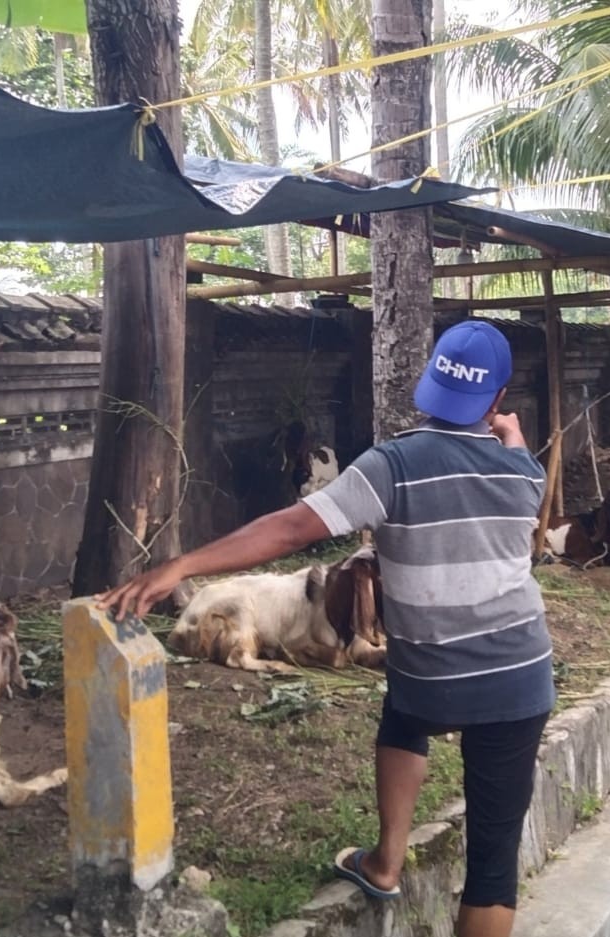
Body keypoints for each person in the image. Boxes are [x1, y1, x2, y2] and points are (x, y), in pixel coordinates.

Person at [100, 320, 554, 937]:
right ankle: (395, 864)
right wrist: (514, 438)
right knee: (493, 869)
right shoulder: (525, 473)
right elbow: (512, 470)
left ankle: (386, 862)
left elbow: (290, 529)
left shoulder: (393, 464)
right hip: (518, 678)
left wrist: (181, 565)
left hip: (432, 675)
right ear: (498, 400)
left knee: (406, 713)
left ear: (431, 384)